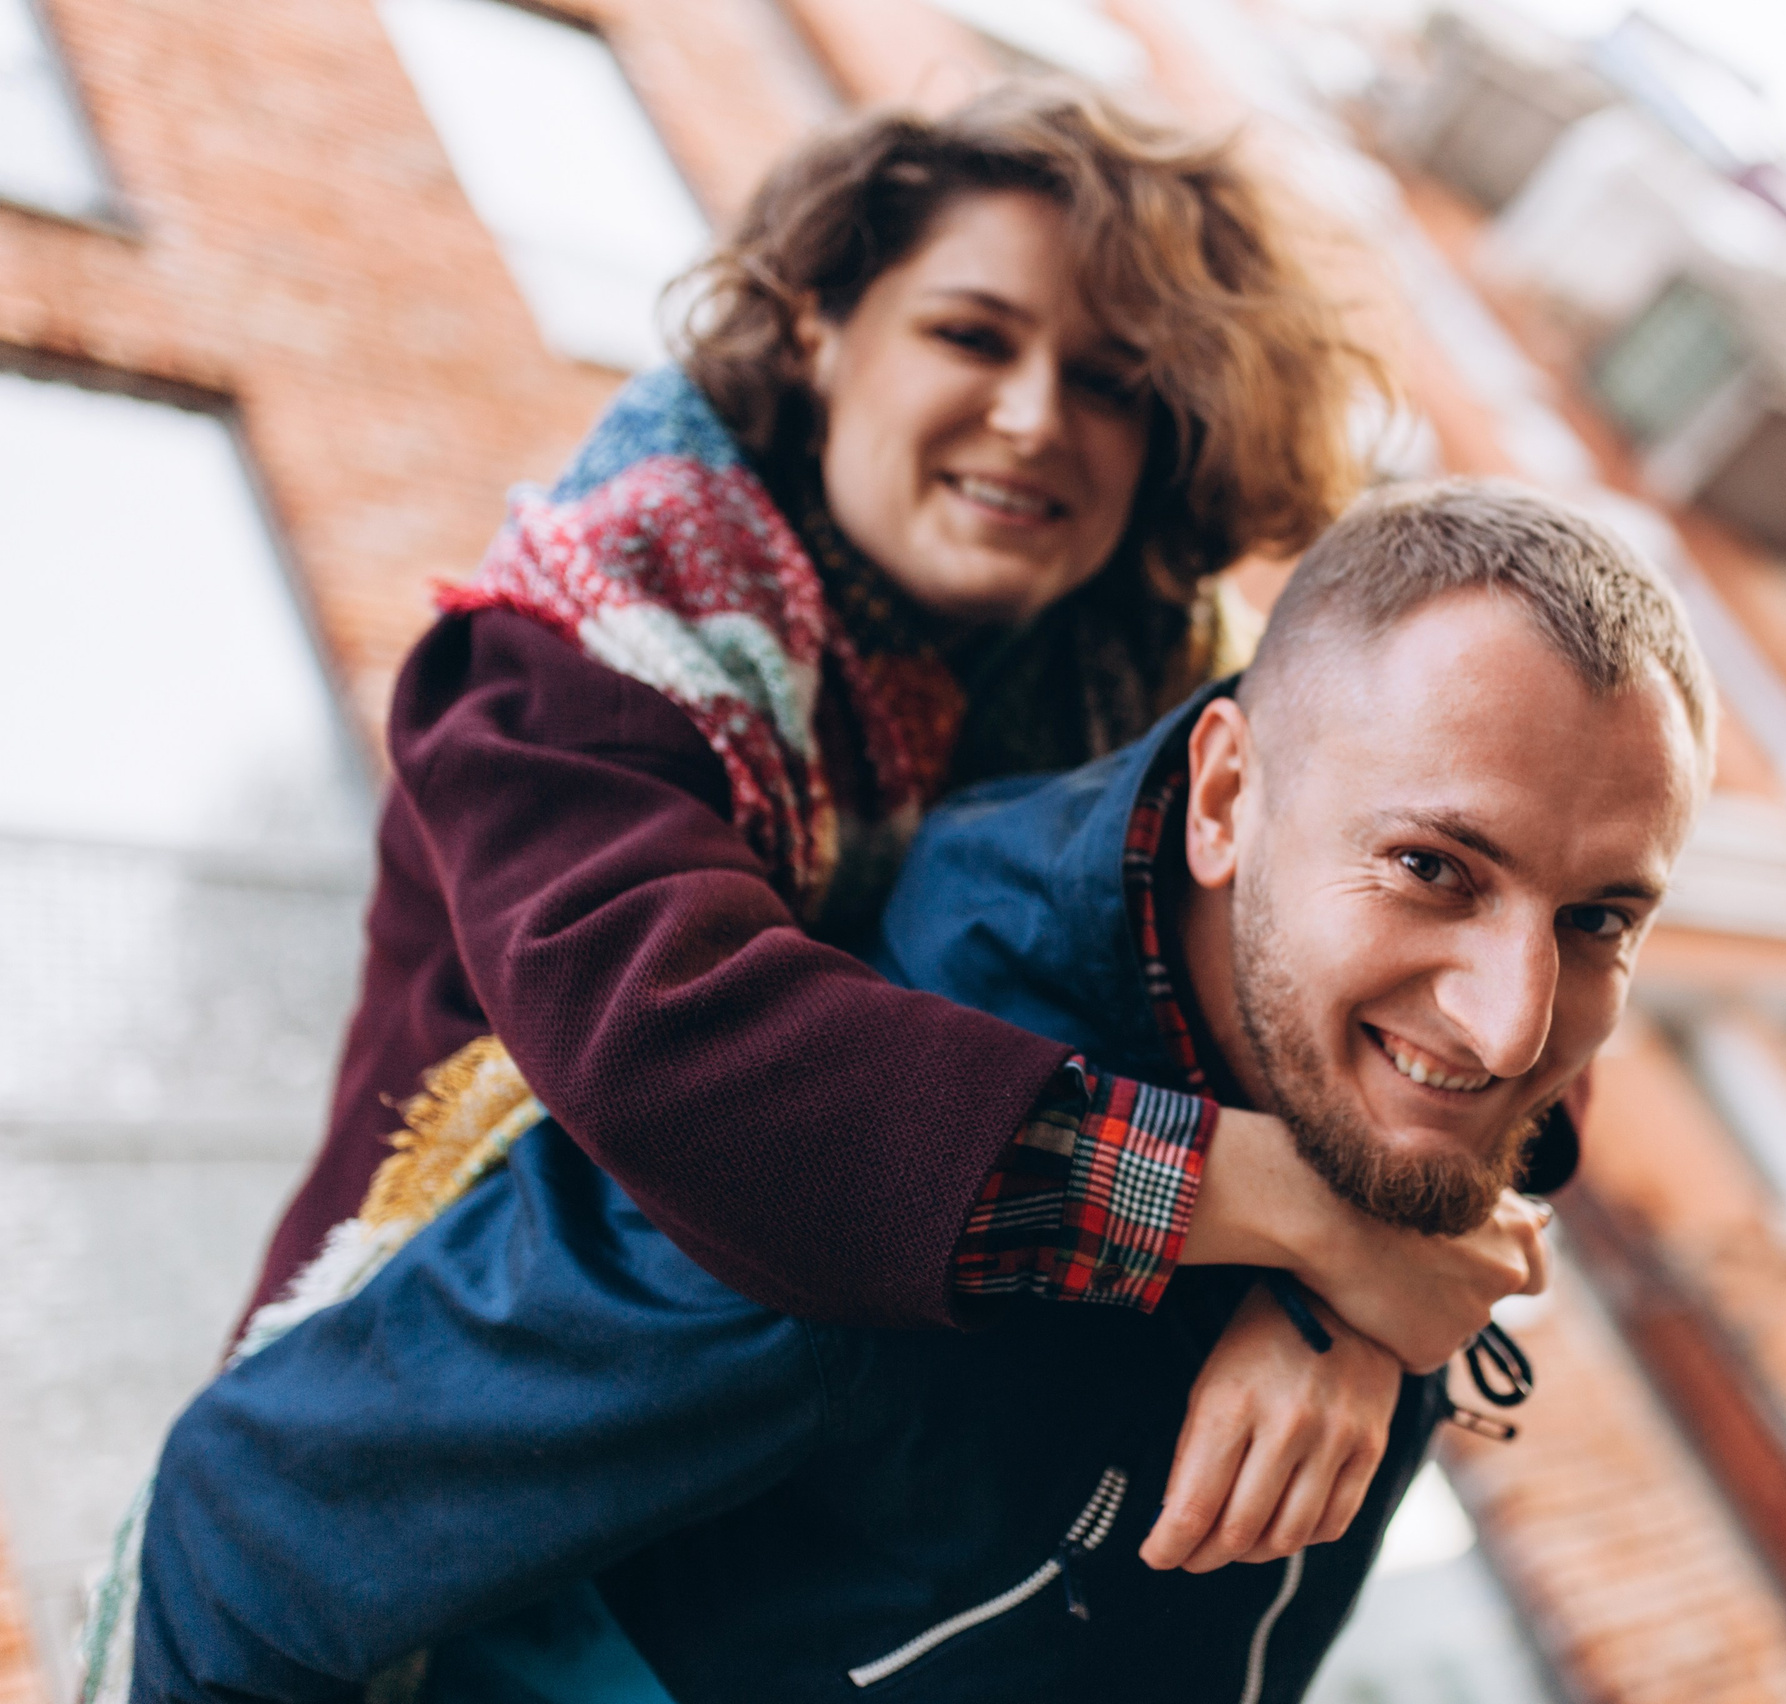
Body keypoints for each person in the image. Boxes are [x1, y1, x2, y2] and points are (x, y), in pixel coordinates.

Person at [236, 81, 1547, 1574]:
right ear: (819, 329)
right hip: (430, 1458)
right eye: (971, 336)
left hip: (852, 1520)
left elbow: (1491, 978)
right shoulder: (571, 647)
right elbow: (682, 1057)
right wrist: (1308, 1216)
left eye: (1115, 378)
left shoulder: (1187, 684)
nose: (1037, 417)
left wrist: (1343, 1302)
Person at [132, 479, 1716, 1704]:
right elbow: (253, 1512)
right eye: (1433, 869)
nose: (1513, 1026)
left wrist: (1344, 1296)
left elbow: (1514, 1102)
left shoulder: (1393, 1087)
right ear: (1228, 799)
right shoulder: (854, 1176)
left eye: (1600, 920)